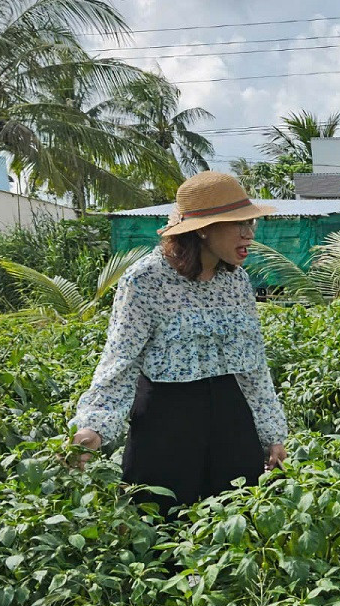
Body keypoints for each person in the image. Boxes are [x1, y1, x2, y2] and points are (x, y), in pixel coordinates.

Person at [67, 171, 289, 511]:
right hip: (167, 421)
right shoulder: (145, 279)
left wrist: (272, 432)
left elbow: (253, 365)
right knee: (161, 528)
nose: (249, 233)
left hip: (232, 420)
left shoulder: (238, 282)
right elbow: (121, 358)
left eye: (251, 223)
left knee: (235, 524)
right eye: (237, 224)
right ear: (202, 229)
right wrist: (94, 426)